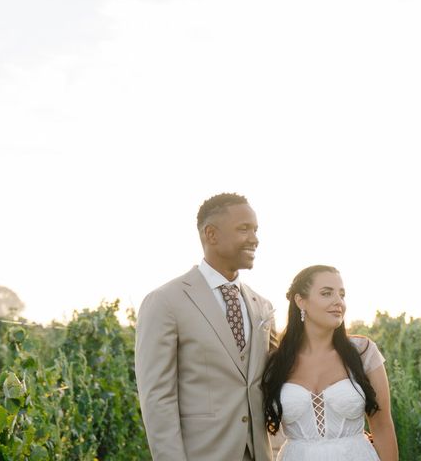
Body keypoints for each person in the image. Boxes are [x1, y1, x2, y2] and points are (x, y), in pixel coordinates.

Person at [135, 193, 277, 461]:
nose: (255, 238)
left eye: (256, 229)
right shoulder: (165, 302)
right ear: (211, 234)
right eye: (244, 228)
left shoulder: (263, 306)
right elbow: (157, 398)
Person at [261, 265, 398, 461]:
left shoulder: (362, 352)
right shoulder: (277, 362)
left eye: (342, 295)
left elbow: (383, 426)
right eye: (327, 293)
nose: (338, 302)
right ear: (301, 301)